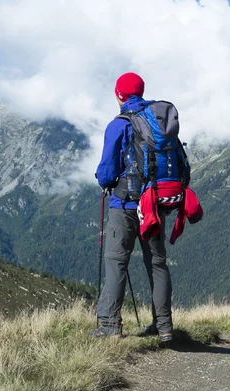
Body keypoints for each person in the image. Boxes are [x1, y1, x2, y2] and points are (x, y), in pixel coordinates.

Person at [89, 72, 173, 344]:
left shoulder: (119, 125)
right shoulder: (157, 120)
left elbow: (106, 173)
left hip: (124, 204)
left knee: (116, 262)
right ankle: (164, 327)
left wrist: (106, 179)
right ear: (142, 91)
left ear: (119, 95)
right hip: (154, 203)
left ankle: (110, 325)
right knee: (157, 264)